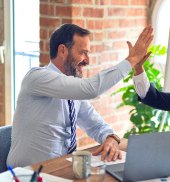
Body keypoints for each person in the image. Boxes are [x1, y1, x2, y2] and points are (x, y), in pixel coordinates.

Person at [7, 23, 153, 168]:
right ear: (63, 50)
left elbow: (95, 125)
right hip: (26, 177)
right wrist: (132, 60)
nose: (87, 61)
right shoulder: (37, 78)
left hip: (60, 171)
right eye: (83, 52)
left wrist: (111, 137)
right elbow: (91, 89)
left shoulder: (72, 92)